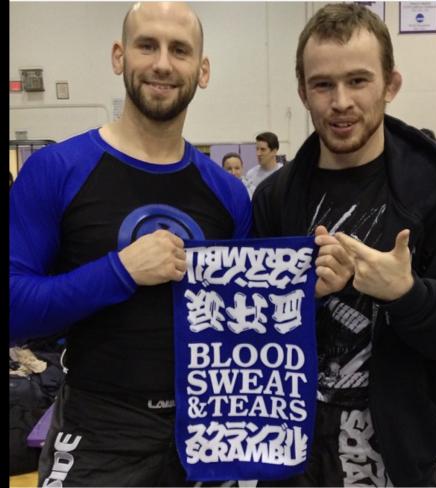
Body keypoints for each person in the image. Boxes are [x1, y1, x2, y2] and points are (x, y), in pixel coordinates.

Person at [9, 3, 253, 486]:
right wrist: (118, 272)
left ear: (202, 71)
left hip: (204, 428)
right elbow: (14, 308)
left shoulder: (228, 195)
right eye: (147, 46)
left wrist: (307, 289)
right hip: (98, 427)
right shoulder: (57, 170)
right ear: (119, 56)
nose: (162, 63)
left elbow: (244, 320)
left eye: (179, 50)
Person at [252, 3, 436, 487]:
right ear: (303, 93)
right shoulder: (275, 197)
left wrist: (406, 294)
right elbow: (245, 322)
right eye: (323, 85)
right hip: (289, 451)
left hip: (396, 455)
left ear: (390, 84)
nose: (340, 101)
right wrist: (299, 295)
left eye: (358, 80)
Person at [243, 131, 283, 196]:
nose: (258, 153)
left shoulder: (283, 173)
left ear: (274, 151)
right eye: (257, 149)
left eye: (263, 149)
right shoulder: (250, 175)